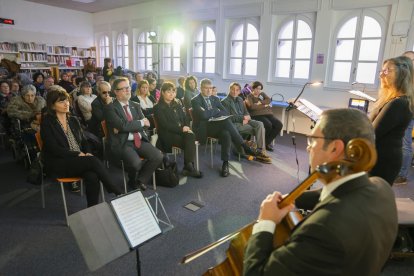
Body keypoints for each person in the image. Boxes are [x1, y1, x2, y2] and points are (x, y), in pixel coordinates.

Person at [243, 108, 398, 275]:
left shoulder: (321, 230)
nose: (308, 148)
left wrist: (266, 222)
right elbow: (339, 192)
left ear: (334, 148)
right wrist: (294, 198)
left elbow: (255, 273)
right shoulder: (382, 188)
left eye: (312, 140)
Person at [40, 85, 123, 207]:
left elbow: (84, 141)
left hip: (79, 160)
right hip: (59, 162)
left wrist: (87, 152)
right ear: (52, 106)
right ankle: (116, 191)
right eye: (61, 101)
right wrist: (77, 154)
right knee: (92, 161)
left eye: (67, 100)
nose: (66, 103)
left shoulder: (73, 120)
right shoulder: (47, 123)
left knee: (92, 176)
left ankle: (92, 208)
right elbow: (54, 148)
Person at [103, 78, 163, 190]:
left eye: (128, 87)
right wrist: (138, 123)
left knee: (158, 156)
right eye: (124, 88)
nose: (128, 90)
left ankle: (139, 180)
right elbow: (122, 126)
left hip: (139, 139)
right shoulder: (110, 108)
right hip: (123, 142)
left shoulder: (135, 105)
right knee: (136, 163)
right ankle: (134, 179)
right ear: (116, 91)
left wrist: (127, 126)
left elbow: (146, 124)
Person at [191, 78, 258, 177]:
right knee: (226, 121)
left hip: (217, 126)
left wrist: (212, 112)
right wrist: (216, 110)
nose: (209, 90)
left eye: (210, 88)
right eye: (206, 88)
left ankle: (225, 164)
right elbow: (204, 116)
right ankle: (244, 146)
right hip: (204, 129)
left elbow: (225, 112)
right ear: (201, 88)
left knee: (226, 133)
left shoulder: (215, 98)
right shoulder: (195, 100)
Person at [369, 55, 414, 185]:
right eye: (381, 71)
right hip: (380, 156)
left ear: (402, 74)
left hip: (383, 161)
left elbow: (372, 133)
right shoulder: (392, 99)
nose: (381, 75)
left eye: (387, 70)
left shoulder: (399, 103)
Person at [154, 81, 202, 178]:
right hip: (167, 135)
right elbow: (165, 125)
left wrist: (187, 127)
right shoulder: (158, 107)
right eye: (168, 91)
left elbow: (185, 118)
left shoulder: (177, 103)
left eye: (173, 91)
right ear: (162, 92)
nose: (172, 94)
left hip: (180, 132)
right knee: (190, 140)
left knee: (190, 135)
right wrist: (181, 129)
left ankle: (188, 166)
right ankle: (188, 167)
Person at [222, 82, 271, 164]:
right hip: (234, 125)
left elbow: (246, 112)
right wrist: (243, 118)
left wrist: (247, 117)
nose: (234, 91)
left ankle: (260, 150)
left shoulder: (240, 99)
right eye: (232, 89)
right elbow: (228, 117)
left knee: (260, 124)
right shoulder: (224, 101)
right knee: (257, 129)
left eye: (237, 90)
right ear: (229, 90)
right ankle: (258, 152)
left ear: (239, 91)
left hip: (245, 121)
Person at [245, 81, 283, 152]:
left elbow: (269, 100)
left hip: (268, 113)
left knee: (279, 125)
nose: (258, 90)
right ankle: (264, 144)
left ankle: (266, 143)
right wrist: (265, 105)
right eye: (256, 89)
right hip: (256, 115)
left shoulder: (262, 94)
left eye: (259, 89)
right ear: (253, 88)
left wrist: (260, 103)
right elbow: (252, 107)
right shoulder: (249, 96)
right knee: (268, 125)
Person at [395, 51, 414, 184]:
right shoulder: (402, 76)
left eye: (410, 60)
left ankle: (402, 175)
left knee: (406, 144)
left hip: (410, 111)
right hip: (402, 110)